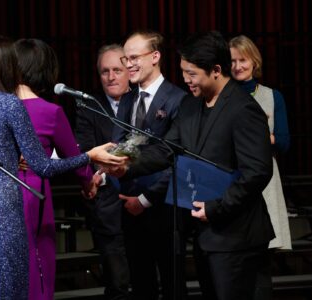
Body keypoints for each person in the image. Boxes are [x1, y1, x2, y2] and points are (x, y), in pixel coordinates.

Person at [0, 35, 127, 300]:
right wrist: (89, 160)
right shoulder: (14, 105)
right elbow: (43, 166)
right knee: (22, 287)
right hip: (13, 205)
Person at [108, 31, 275, 300]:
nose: (185, 79)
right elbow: (166, 149)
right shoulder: (190, 105)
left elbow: (257, 172)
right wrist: (125, 166)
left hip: (238, 237)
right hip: (205, 235)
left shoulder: (243, 109)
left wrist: (217, 207)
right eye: (183, 72)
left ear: (217, 70)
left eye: (192, 73)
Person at [14, 38, 96, 300]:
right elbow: (76, 157)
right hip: (33, 193)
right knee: (39, 265)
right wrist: (89, 183)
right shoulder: (50, 111)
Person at [113, 30, 187, 300]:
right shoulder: (128, 98)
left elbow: (176, 157)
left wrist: (145, 199)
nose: (128, 64)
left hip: (164, 205)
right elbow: (119, 145)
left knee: (172, 282)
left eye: (134, 57)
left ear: (155, 56)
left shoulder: (179, 99)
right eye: (126, 58)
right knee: (140, 283)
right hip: (127, 203)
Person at [229, 34, 292, 299]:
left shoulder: (271, 96)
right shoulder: (224, 96)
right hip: (233, 179)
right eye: (231, 61)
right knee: (234, 262)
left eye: (242, 60)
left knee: (262, 262)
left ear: (254, 61)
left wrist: (261, 137)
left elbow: (284, 143)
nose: (237, 66)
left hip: (266, 181)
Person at [75, 44, 131, 300]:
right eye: (105, 71)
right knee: (117, 282)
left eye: (117, 70)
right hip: (107, 203)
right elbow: (86, 150)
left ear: (129, 70)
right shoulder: (89, 106)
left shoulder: (143, 100)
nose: (111, 76)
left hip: (146, 200)